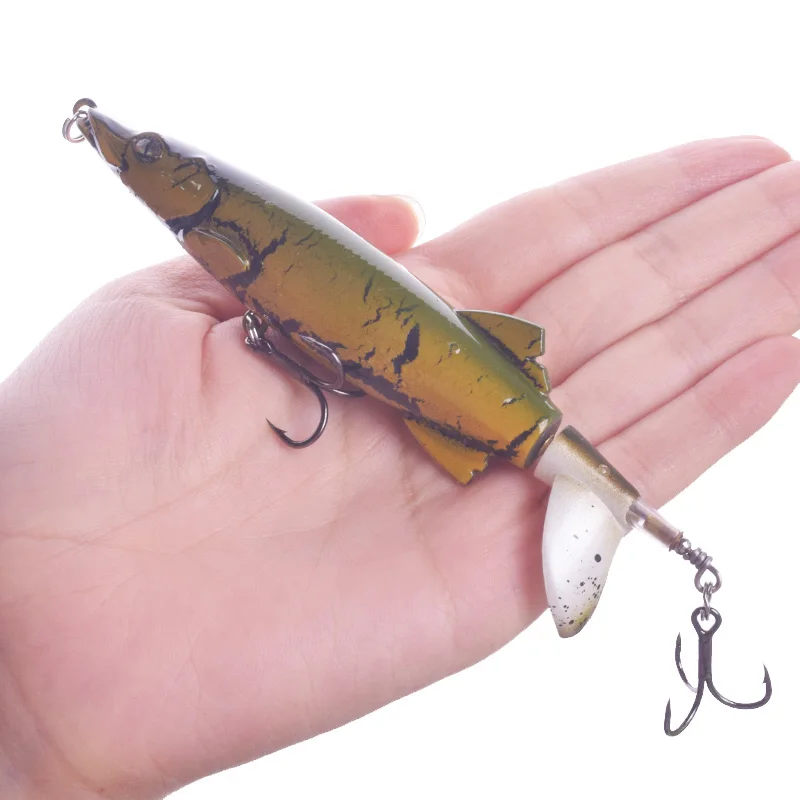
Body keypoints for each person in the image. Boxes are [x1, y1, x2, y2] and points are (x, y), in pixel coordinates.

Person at [1, 136, 798, 799]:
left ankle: (591, 489)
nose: (130, 156)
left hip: (472, 381)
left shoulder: (215, 221)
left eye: (146, 154)